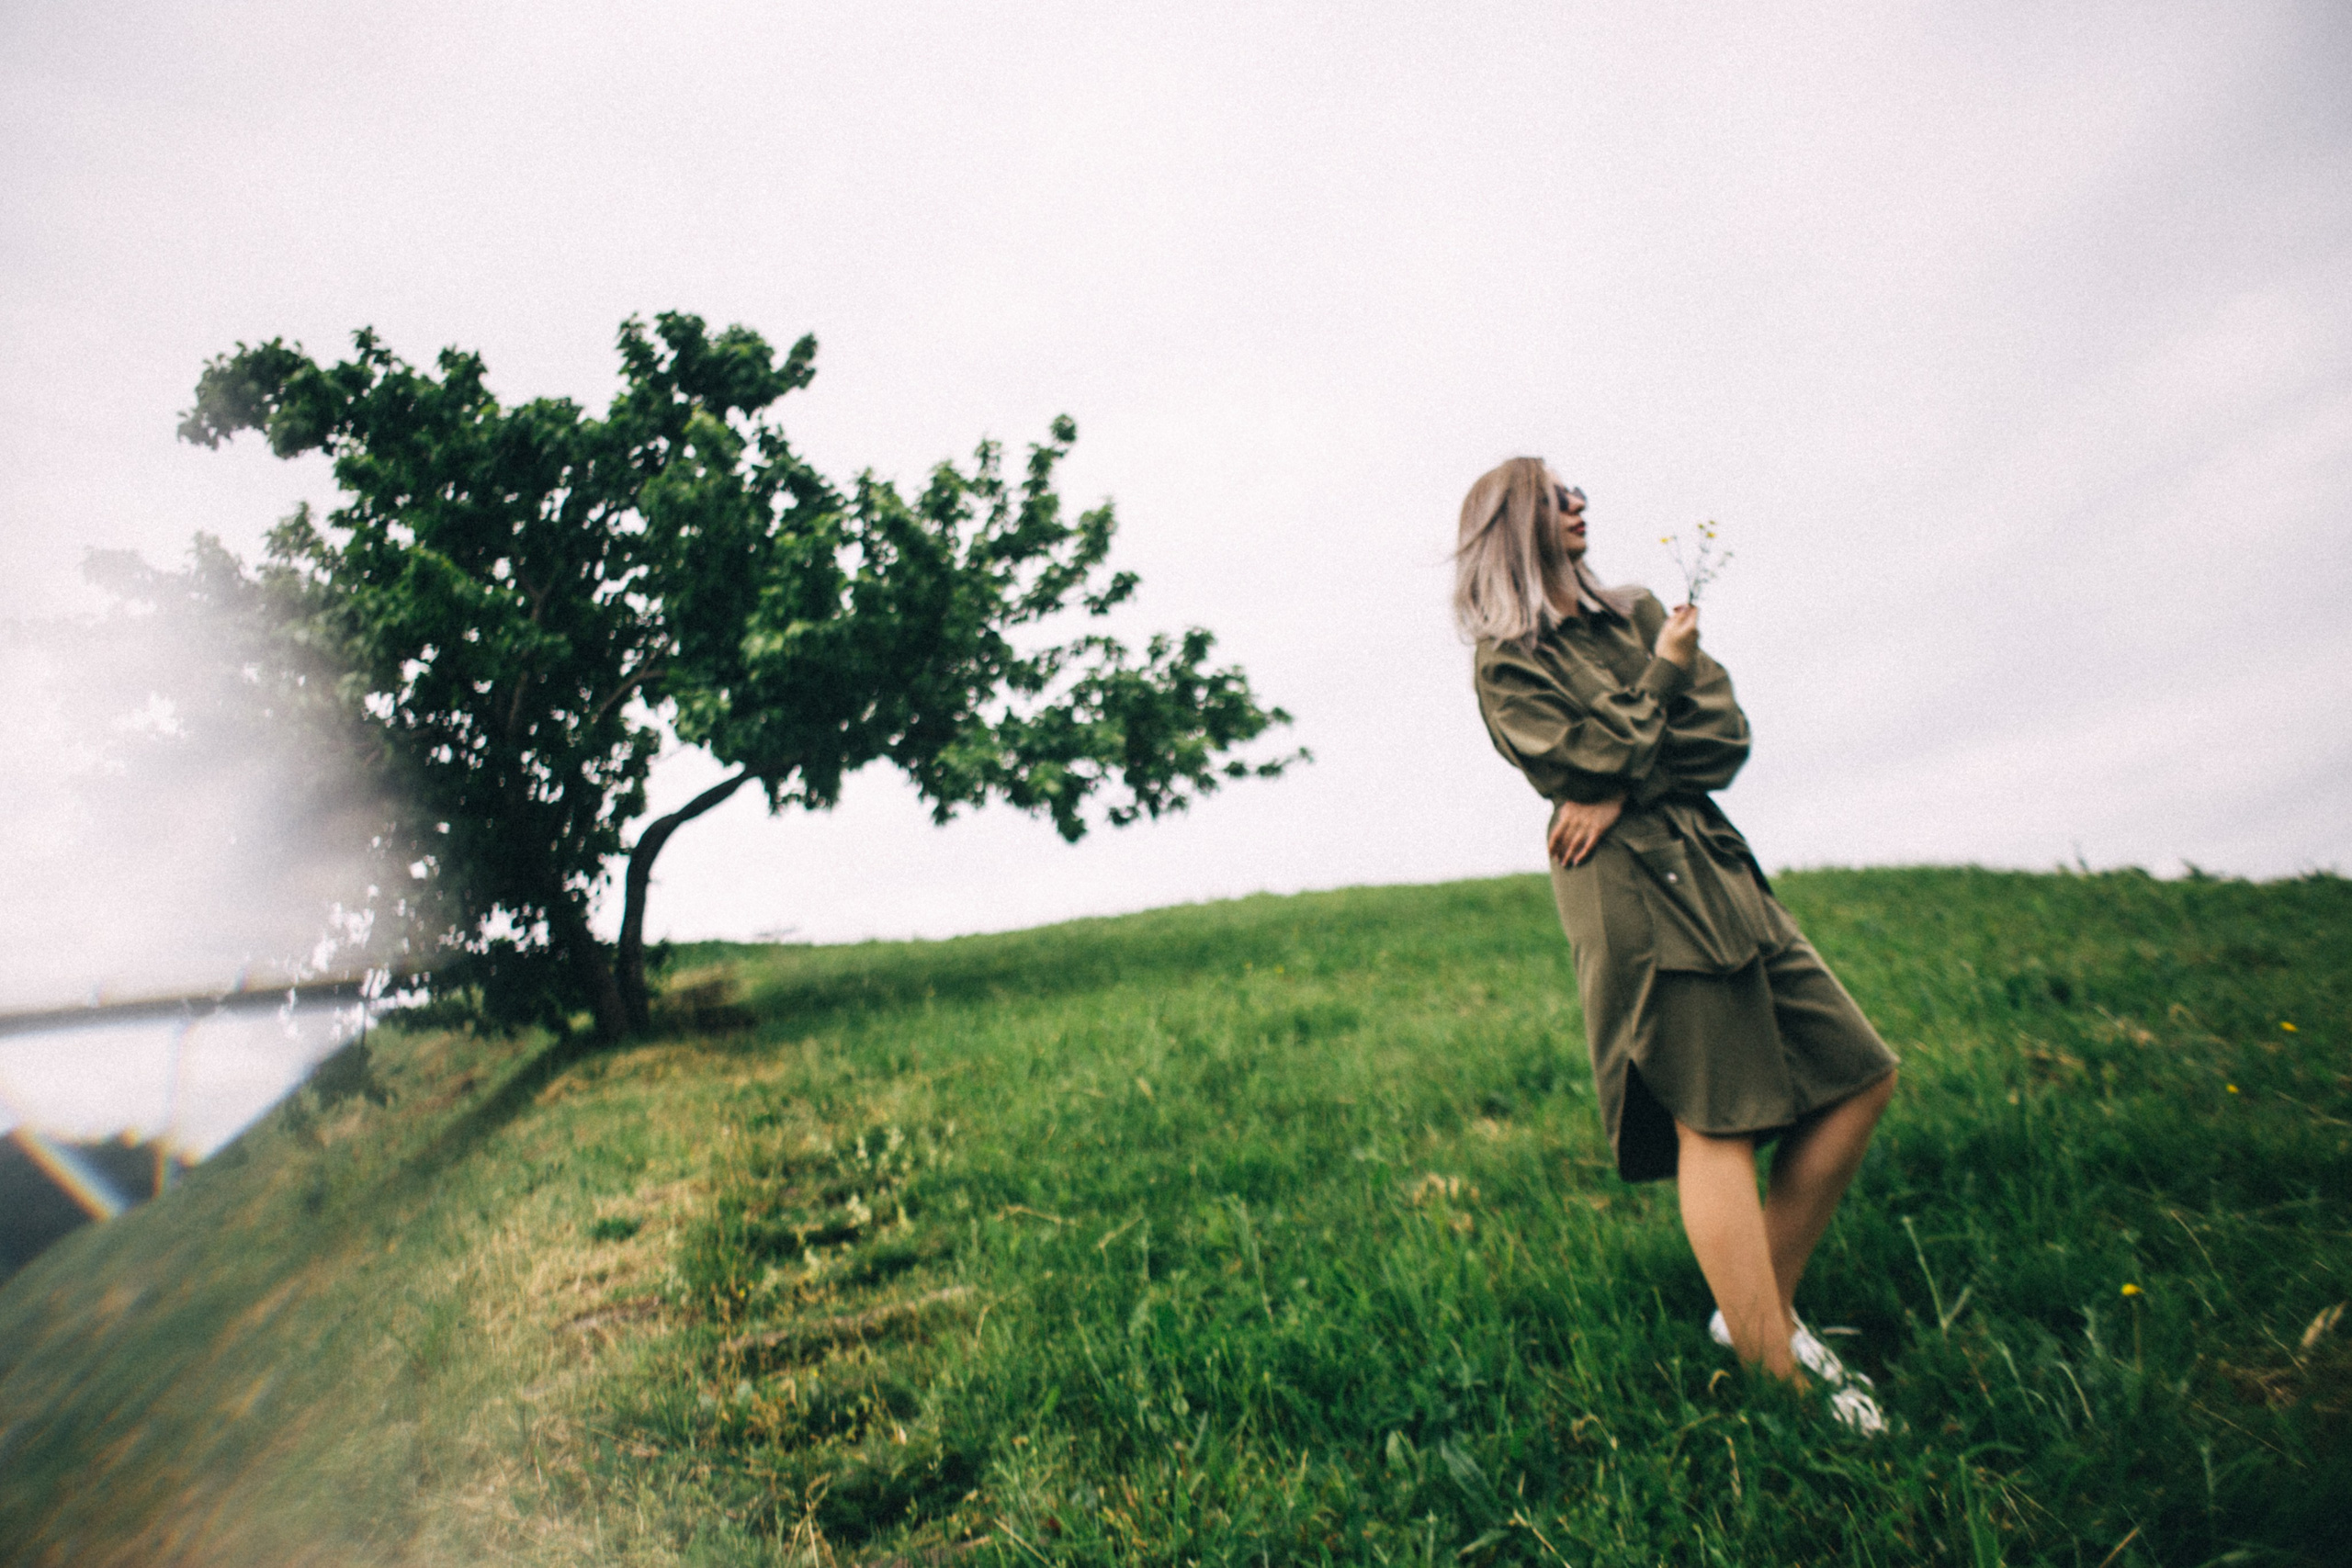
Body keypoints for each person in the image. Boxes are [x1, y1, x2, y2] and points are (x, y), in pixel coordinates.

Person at [1455, 456, 1899, 1433]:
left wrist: (1616, 783)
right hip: (1630, 890)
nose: (1580, 502)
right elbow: (1574, 761)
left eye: (1577, 490)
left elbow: (1721, 741)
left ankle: (1753, 1313)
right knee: (1715, 1120)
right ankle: (1775, 1375)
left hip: (1714, 863)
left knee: (1861, 1073)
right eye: (1557, 496)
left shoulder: (1639, 610)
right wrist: (1658, 683)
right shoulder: (1507, 660)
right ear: (1516, 522)